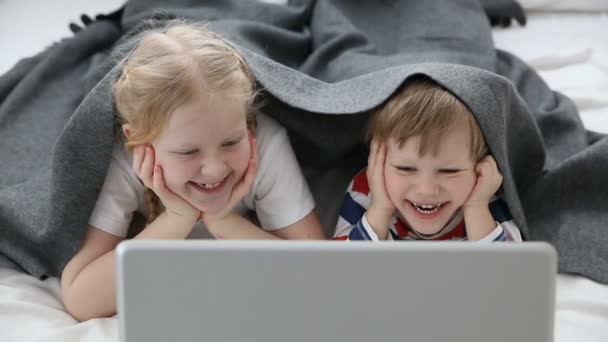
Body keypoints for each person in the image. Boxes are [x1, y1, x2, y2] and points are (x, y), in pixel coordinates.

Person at [61, 20, 326, 321]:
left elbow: (317, 273)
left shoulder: (263, 143)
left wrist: (222, 220)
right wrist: (177, 219)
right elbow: (82, 300)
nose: (215, 169)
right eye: (188, 152)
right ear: (139, 141)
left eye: (230, 142)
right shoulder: (123, 159)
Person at [334, 76, 522, 242]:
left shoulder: (484, 195)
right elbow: (340, 272)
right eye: (405, 168)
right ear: (378, 162)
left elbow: (509, 276)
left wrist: (476, 209)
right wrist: (380, 209)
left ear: (481, 168)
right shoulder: (367, 192)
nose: (426, 190)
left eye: (449, 171)